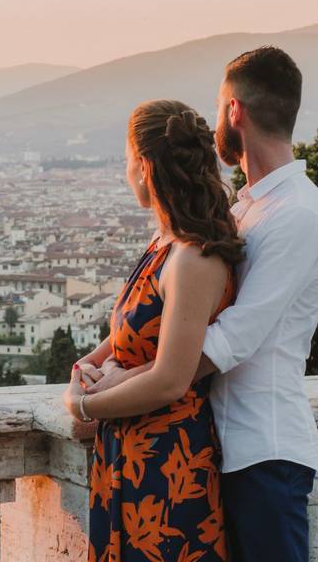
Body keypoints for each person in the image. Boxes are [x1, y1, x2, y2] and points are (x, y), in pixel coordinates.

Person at [87, 47, 318, 562]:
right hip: (216, 445)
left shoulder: (297, 215)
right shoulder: (249, 208)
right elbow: (177, 316)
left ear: (234, 111)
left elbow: (229, 340)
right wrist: (104, 360)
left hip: (261, 448)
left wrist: (120, 383)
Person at [63, 99, 242, 562]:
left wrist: (84, 404)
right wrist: (88, 364)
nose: (126, 172)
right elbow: (133, 331)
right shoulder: (166, 245)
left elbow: (171, 377)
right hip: (130, 457)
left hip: (168, 465)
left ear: (143, 166)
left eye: (127, 160)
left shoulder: (192, 258)